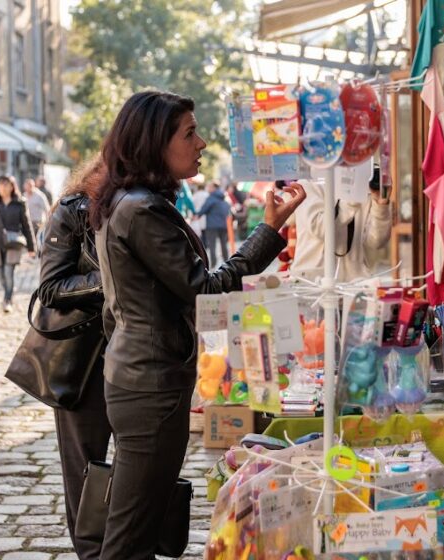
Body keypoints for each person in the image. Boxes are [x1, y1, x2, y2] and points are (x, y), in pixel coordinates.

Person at [90, 90, 305, 558]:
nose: (202, 143)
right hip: (148, 384)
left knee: (140, 525)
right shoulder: (141, 210)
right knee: (130, 537)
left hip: (140, 377)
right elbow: (205, 289)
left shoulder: (130, 202)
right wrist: (267, 232)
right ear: (154, 142)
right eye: (189, 133)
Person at [36, 156, 111, 560]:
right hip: (82, 360)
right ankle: (91, 552)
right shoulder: (72, 212)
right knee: (84, 466)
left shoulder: (143, 207)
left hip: (133, 357)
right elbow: (51, 287)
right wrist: (112, 279)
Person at [290, 166, 392, 282]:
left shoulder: (363, 187)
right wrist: (353, 196)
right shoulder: (308, 184)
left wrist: (381, 206)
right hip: (313, 282)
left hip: (353, 282)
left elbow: (376, 241)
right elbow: (321, 229)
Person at [0, 175, 36, 312]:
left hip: (14, 244)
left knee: (8, 272)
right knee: (0, 274)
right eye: (0, 185)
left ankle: (7, 299)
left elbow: (27, 226)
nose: (3, 188)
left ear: (12, 186)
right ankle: (9, 291)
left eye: (6, 185)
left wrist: (31, 247)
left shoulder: (20, 203)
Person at [195, 182, 231, 267]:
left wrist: (197, 215)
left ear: (214, 188)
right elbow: (228, 208)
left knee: (212, 245)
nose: (208, 188)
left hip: (212, 225)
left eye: (209, 187)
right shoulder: (223, 197)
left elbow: (204, 208)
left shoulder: (211, 198)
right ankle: (227, 262)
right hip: (223, 224)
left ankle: (213, 264)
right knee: (224, 245)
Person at [23, 178, 50, 244]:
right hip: (27, 222)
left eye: (30, 186)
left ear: (33, 186)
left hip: (37, 222)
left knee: (35, 240)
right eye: (27, 186)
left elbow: (47, 209)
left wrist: (48, 222)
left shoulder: (40, 196)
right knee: (28, 240)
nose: (28, 188)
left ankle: (36, 252)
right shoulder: (24, 196)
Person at [190, 181, 209, 246]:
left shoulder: (195, 195)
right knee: (205, 231)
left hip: (197, 214)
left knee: (199, 231)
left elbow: (192, 204)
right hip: (205, 215)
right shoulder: (207, 194)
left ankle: (203, 244)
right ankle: (206, 244)